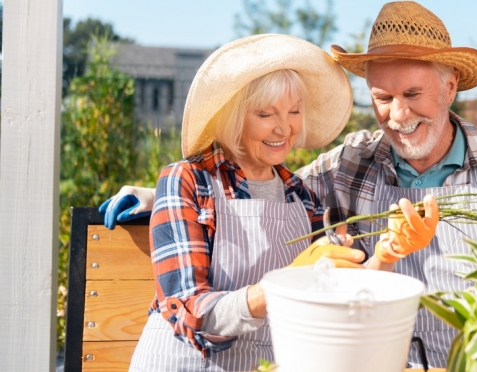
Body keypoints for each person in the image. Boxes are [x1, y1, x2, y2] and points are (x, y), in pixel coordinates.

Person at [101, 2, 477, 368]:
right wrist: (154, 198)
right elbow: (240, 188)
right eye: (382, 98)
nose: (398, 114)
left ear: (450, 86)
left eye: (412, 94)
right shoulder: (349, 165)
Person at [123, 33, 437, 372]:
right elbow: (189, 311)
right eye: (265, 114)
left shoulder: (303, 196)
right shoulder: (189, 180)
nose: (283, 128)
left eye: (294, 111)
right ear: (234, 116)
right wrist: (285, 282)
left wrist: (386, 256)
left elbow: (336, 301)